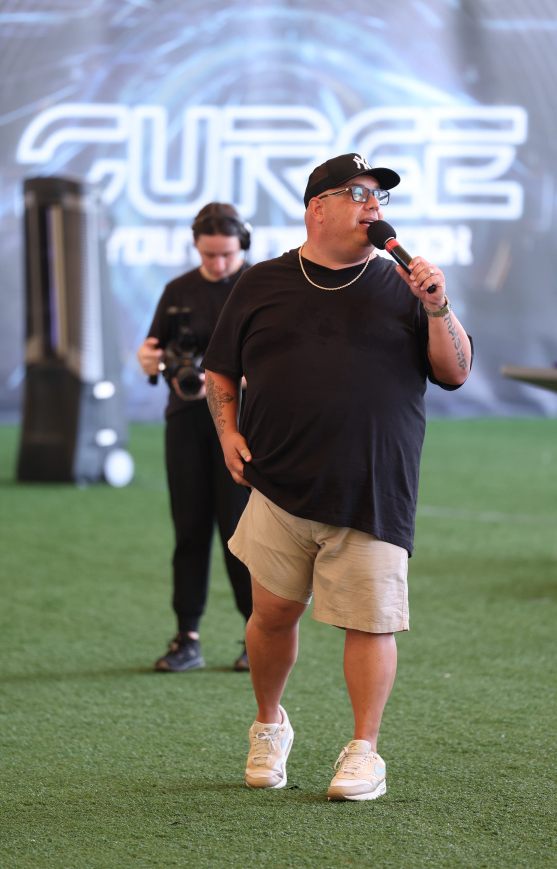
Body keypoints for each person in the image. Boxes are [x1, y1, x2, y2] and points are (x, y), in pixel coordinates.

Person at [201, 153, 472, 800]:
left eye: (379, 196)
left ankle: (364, 751)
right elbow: (220, 367)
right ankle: (269, 724)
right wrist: (228, 431)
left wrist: (437, 307)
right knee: (271, 613)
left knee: (370, 622)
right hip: (278, 482)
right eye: (357, 193)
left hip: (373, 486)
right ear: (316, 208)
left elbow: (456, 371)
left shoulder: (405, 285)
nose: (373, 205)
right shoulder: (262, 282)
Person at [137, 202, 253, 672]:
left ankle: (258, 636)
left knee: (242, 533)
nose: (218, 264)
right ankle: (187, 637)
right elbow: (154, 352)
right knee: (188, 530)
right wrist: (148, 361)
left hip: (243, 424)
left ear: (243, 245)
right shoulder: (177, 291)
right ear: (196, 248)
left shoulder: (260, 286)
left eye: (227, 254)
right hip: (186, 421)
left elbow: (281, 362)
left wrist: (226, 382)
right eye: (209, 255)